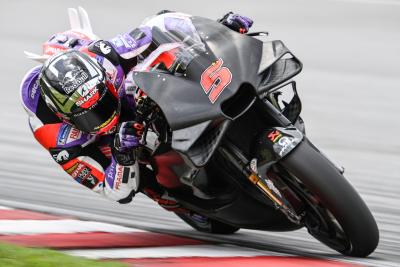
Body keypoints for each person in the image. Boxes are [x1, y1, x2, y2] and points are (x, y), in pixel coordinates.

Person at [20, 11, 253, 210]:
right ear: (62, 115)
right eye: (91, 114)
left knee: (170, 46)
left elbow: (156, 27)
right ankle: (186, 204)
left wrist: (218, 30)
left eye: (102, 103)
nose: (103, 114)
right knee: (145, 185)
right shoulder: (53, 134)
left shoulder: (105, 55)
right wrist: (122, 155)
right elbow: (112, 191)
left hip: (128, 94)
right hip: (108, 141)